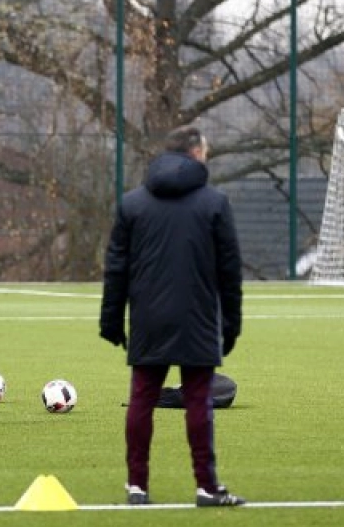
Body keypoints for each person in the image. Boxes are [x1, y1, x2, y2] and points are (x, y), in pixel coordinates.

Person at [100, 126, 245, 507]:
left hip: (148, 316)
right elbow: (230, 271)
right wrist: (231, 323)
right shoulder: (215, 202)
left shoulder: (132, 203)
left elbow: (116, 266)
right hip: (198, 316)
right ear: (196, 153)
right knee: (198, 400)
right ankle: (207, 487)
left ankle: (137, 486)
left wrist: (111, 320)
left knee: (142, 400)